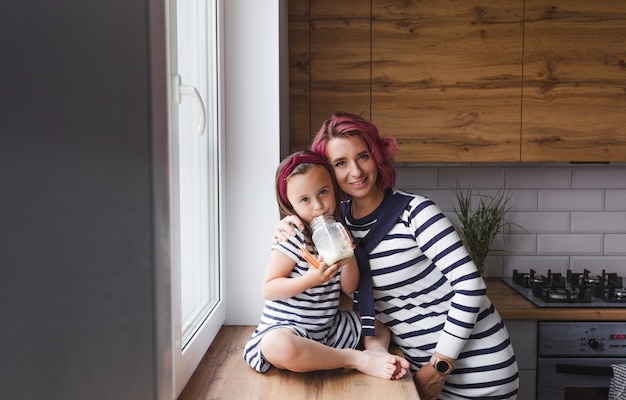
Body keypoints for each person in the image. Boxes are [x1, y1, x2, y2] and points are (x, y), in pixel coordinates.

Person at [273, 113, 520, 400]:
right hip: (416, 367)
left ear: (376, 156)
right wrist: (287, 222)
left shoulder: (416, 213)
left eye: (362, 156)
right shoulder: (337, 229)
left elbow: (471, 286)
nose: (355, 172)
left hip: (476, 371)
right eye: (340, 163)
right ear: (328, 173)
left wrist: (438, 367)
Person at [243, 150, 409, 380]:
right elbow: (268, 288)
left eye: (323, 192)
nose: (318, 206)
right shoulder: (294, 238)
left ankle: (376, 352)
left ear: (334, 188)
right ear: (289, 204)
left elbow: (349, 288)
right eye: (305, 200)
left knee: (376, 320)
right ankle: (355, 359)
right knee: (276, 346)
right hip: (290, 329)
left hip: (328, 328)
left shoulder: (338, 232)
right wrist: (310, 279)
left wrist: (348, 256)